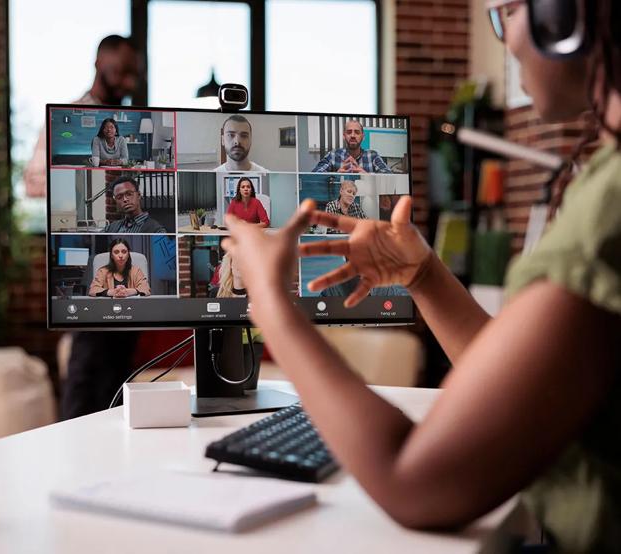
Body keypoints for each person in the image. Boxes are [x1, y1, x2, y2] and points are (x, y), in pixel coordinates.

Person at [221, 2, 621, 551]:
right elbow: (527, 379)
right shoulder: (606, 172)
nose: (503, 38)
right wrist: (425, 275)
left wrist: (270, 304)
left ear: (563, 16)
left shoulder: (610, 207)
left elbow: (411, 483)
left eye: (506, 12)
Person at [24, 35, 141, 197]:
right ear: (99, 62)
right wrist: (83, 183)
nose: (130, 83)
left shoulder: (134, 121)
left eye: (135, 76)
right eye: (122, 70)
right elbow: (33, 186)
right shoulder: (61, 118)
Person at [312, 119, 392, 174]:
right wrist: (336, 176)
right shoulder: (334, 155)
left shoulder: (372, 155)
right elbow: (315, 174)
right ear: (344, 136)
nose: (353, 135)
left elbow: (388, 174)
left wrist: (366, 176)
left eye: (357, 132)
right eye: (349, 132)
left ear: (363, 137)